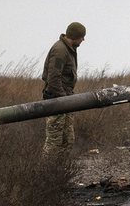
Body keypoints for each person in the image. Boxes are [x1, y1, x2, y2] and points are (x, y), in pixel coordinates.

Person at [41, 22, 86, 160]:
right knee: (54, 142)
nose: (83, 40)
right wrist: (63, 99)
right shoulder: (60, 50)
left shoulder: (69, 49)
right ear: (75, 36)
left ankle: (60, 172)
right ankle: (46, 172)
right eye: (81, 37)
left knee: (67, 141)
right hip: (57, 102)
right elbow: (53, 78)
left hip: (65, 101)